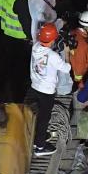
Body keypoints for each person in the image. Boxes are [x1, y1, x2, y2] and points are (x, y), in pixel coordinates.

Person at [28, 24, 71, 156]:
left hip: (35, 86)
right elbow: (66, 68)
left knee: (38, 115)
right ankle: (39, 146)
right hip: (46, 91)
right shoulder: (53, 56)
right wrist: (67, 53)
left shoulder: (35, 47)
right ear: (53, 40)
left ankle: (38, 137)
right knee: (44, 118)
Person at [0, 0, 35, 101]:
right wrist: (31, 38)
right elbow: (26, 22)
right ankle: (18, 95)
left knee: (9, 65)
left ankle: (8, 87)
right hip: (19, 39)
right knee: (19, 69)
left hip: (7, 33)